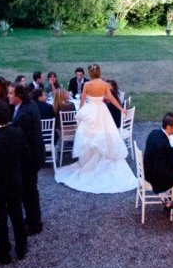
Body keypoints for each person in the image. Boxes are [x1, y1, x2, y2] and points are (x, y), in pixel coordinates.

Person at [54, 64, 137, 194]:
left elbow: (82, 101)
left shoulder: (87, 85)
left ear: (90, 73)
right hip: (101, 111)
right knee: (104, 135)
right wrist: (121, 108)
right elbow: (111, 98)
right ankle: (101, 159)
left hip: (91, 111)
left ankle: (91, 162)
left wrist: (80, 113)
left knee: (90, 137)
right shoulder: (104, 84)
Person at [0, 100, 29, 265]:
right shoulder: (18, 133)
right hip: (15, 183)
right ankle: (21, 248)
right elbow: (24, 155)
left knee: (0, 219)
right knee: (17, 215)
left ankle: (4, 251)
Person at [8, 83, 44, 235]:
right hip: (33, 156)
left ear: (19, 96)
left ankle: (34, 223)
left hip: (28, 159)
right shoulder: (28, 106)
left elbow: (21, 139)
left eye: (11, 93)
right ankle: (32, 220)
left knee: (28, 192)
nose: (8, 95)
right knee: (30, 191)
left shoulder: (24, 114)